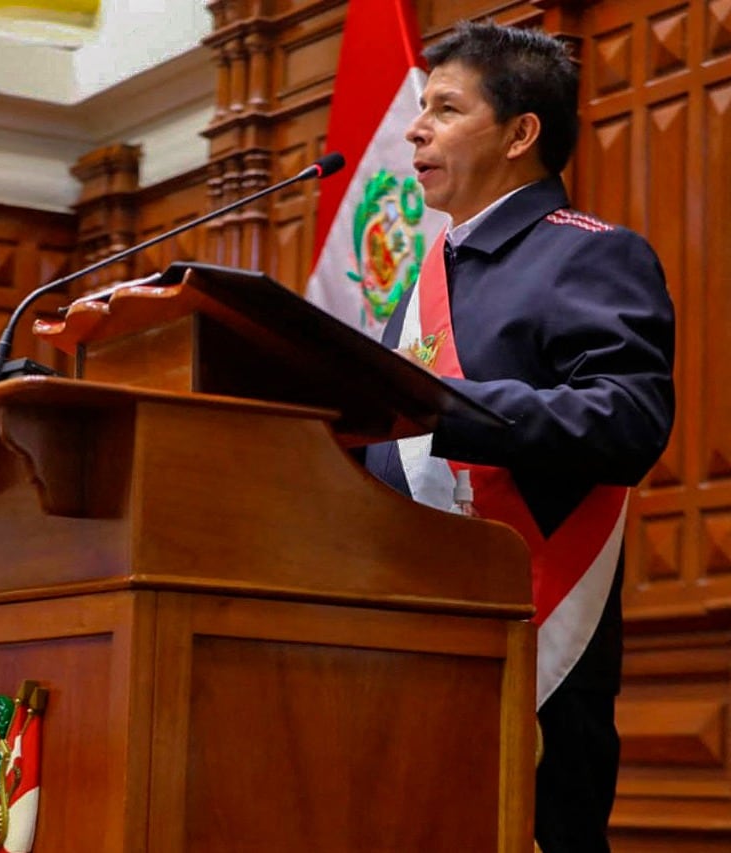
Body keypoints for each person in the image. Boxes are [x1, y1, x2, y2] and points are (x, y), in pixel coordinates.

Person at [361, 21, 676, 853]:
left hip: (532, 649)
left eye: (445, 108)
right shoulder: (423, 281)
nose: (415, 128)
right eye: (420, 107)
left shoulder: (589, 257)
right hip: (402, 632)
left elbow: (630, 419)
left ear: (520, 132)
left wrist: (440, 405)